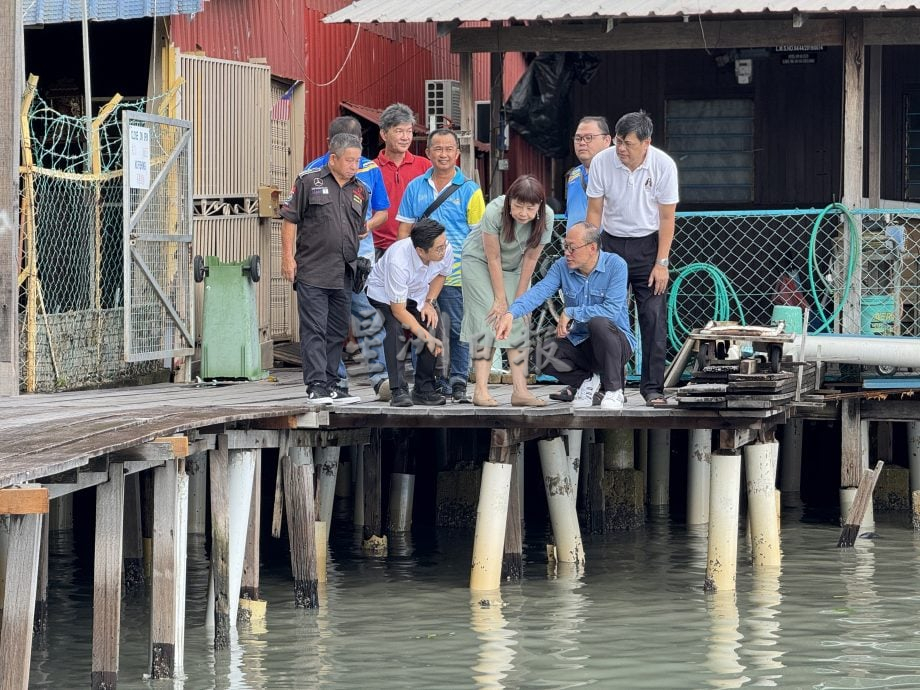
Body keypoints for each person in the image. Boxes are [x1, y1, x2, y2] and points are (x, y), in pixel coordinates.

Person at [585, 110, 678, 407]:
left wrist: (661, 263)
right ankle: (613, 387)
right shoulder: (602, 161)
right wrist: (592, 254)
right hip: (610, 244)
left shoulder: (663, 165)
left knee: (652, 317)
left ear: (646, 142)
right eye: (618, 141)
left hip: (648, 246)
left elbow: (667, 218)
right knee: (606, 317)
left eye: (628, 143)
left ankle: (653, 389)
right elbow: (594, 212)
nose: (621, 149)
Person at [495, 222, 636, 410]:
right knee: (541, 354)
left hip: (616, 344)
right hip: (580, 342)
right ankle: (587, 381)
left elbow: (611, 310)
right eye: (565, 246)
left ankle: (614, 390)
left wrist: (571, 312)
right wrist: (511, 313)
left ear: (592, 248)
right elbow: (539, 291)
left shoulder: (616, 265)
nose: (566, 252)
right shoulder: (561, 266)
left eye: (572, 248)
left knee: (599, 323)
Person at [396, 128, 485, 403]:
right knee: (421, 326)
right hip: (421, 275)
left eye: (449, 149)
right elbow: (404, 230)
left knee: (457, 328)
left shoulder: (470, 190)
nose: (443, 154)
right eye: (438, 149)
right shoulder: (415, 187)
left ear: (457, 154)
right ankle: (427, 382)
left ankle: (458, 380)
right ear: (428, 153)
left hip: (457, 273)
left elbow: (479, 236)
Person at [305, 116, 391, 401]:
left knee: (361, 313)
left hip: (359, 259)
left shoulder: (370, 169)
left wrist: (366, 227)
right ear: (331, 146)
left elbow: (382, 211)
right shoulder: (313, 170)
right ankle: (336, 380)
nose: (354, 160)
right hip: (322, 260)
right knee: (330, 322)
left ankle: (380, 379)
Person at [280, 132, 368, 404]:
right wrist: (287, 258)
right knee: (314, 329)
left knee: (338, 331)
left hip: (344, 272)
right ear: (333, 159)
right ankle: (316, 384)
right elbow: (290, 220)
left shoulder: (360, 190)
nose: (354, 165)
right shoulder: (309, 181)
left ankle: (333, 384)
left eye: (357, 161)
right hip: (313, 270)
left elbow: (360, 230)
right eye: (349, 160)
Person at [460, 175, 554, 407]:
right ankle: (480, 390)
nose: (523, 213)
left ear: (539, 206)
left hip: (517, 266)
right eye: (518, 206)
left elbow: (532, 257)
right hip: (480, 262)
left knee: (519, 319)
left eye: (530, 208)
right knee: (489, 318)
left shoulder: (548, 217)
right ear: (509, 201)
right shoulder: (494, 210)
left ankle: (520, 391)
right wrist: (501, 299)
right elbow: (493, 257)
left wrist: (520, 301)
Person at [366, 219, 450, 407]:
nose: (444, 250)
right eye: (439, 248)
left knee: (431, 321)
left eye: (444, 245)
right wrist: (426, 337)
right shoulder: (398, 260)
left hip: (418, 294)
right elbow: (398, 310)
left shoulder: (444, 247)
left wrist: (430, 302)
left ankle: (424, 388)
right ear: (420, 251)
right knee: (395, 329)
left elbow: (442, 273)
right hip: (385, 296)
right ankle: (398, 390)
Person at [374, 103, 431, 255]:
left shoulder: (425, 166)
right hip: (378, 247)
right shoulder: (371, 169)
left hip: (416, 246)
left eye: (409, 131)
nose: (405, 137)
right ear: (384, 134)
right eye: (399, 131)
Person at [565, 116, 612, 229]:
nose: (582, 142)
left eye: (588, 137)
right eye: (578, 138)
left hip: (605, 245)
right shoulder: (574, 174)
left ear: (607, 140)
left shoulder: (618, 173)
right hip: (574, 245)